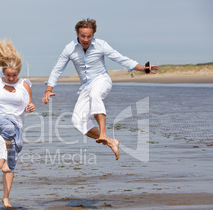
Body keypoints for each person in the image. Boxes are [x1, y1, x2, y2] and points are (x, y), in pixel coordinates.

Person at [42, 18, 158, 160]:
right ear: (77, 34)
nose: (86, 39)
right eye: (83, 36)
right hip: (85, 86)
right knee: (77, 121)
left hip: (101, 80)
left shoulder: (101, 45)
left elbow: (120, 59)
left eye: (89, 36)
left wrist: (143, 68)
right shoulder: (69, 49)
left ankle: (103, 133)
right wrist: (48, 89)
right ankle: (110, 141)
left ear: (93, 35)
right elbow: (57, 69)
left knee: (95, 94)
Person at [0, 38, 35, 208]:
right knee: (7, 127)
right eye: (8, 75)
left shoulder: (24, 85)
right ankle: (0, 159)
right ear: (3, 73)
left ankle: (6, 197)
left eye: (14, 75)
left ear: (18, 72)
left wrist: (30, 107)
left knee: (11, 163)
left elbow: (28, 107)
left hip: (18, 124)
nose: (11, 78)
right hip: (0, 119)